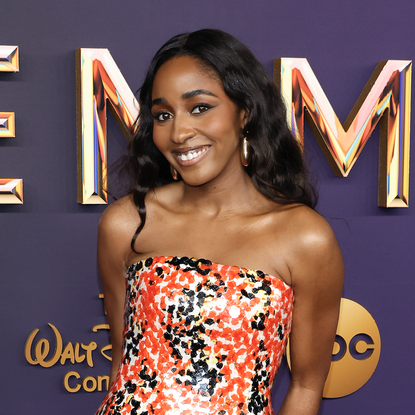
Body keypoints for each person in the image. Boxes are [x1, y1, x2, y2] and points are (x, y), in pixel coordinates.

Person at [96, 29, 344, 415]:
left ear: (244, 112)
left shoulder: (305, 238)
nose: (179, 133)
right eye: (163, 115)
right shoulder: (127, 223)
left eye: (199, 108)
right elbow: (122, 368)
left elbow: (307, 388)